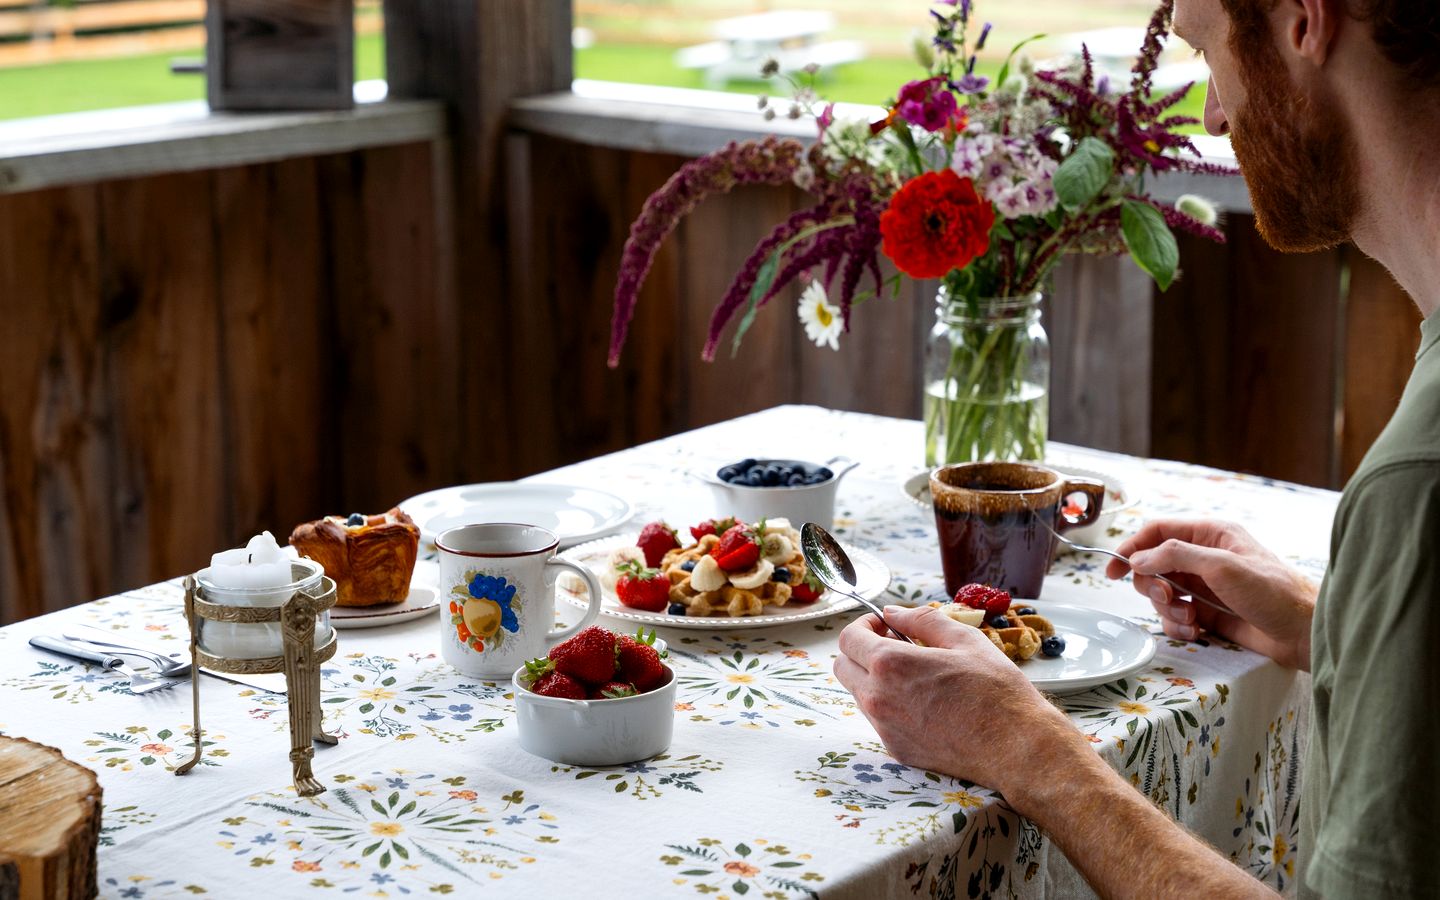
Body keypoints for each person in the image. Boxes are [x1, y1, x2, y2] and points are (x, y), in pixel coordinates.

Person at [834, 0, 1440, 896]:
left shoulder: (1416, 486)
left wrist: (1027, 749)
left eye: (1207, 50)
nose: (1214, 114)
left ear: (1304, 21)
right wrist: (1338, 627)